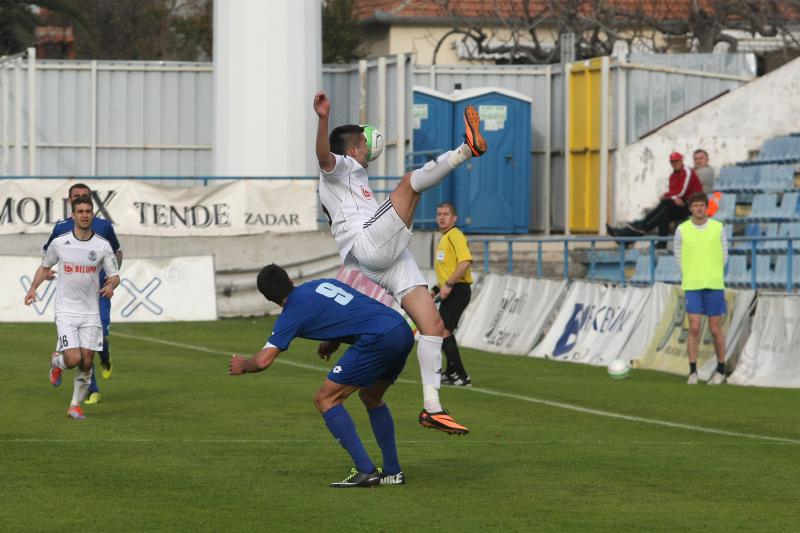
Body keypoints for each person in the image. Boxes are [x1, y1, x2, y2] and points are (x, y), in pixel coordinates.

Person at [313, 90, 487, 435]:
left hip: (379, 257)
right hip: (369, 243)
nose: (368, 146)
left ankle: (432, 408)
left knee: (433, 326)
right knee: (410, 182)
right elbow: (323, 156)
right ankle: (468, 149)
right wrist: (323, 119)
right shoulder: (339, 166)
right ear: (351, 151)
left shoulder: (355, 174)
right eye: (364, 143)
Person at [229, 264, 414, 488]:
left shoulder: (291, 315)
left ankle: (366, 471)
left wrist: (243, 365)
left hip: (377, 338)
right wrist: (332, 340)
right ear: (289, 278)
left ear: (268, 298)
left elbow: (262, 361)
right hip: (400, 328)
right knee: (371, 397)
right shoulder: (322, 284)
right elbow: (349, 308)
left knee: (326, 399)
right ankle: (392, 472)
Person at [25, 196, 120, 419]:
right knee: (73, 359)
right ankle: (56, 361)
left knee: (87, 361)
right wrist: (32, 288)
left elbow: (115, 275)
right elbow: (44, 266)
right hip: (66, 311)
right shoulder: (60, 242)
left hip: (91, 313)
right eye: (81, 211)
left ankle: (75, 406)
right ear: (73, 215)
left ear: (93, 215)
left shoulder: (102, 246)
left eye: (88, 211)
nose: (85, 215)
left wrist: (111, 286)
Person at [44, 183, 123, 405]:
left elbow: (117, 252)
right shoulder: (61, 229)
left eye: (85, 197)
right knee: (81, 353)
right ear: (71, 203)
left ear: (91, 201)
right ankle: (91, 391)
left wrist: (112, 277)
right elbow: (49, 253)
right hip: (73, 299)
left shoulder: (104, 226)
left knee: (101, 337)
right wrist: (46, 273)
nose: (82, 201)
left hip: (99, 294)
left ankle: (105, 361)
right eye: (77, 198)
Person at [674, 192, 728, 386]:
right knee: (694, 326)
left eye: (701, 205)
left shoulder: (718, 228)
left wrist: (713, 272)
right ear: (690, 208)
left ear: (707, 208)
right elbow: (678, 256)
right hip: (692, 284)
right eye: (695, 205)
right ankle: (693, 371)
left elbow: (724, 255)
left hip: (713, 283)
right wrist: (689, 275)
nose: (698, 208)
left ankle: (721, 370)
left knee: (715, 328)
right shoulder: (682, 230)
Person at [607, 152, 703, 246]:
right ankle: (660, 242)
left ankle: (631, 231)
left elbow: (680, 192)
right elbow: (674, 194)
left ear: (682, 160)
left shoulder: (687, 172)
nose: (674, 163)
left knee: (665, 204)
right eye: (672, 162)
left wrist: (669, 196)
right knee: (664, 213)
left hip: (692, 206)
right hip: (680, 205)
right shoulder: (673, 176)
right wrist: (671, 196)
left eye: (676, 161)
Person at [433, 202, 473, 387]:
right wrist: (435, 289)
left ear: (454, 218)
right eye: (439, 214)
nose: (442, 217)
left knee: (443, 331)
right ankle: (450, 373)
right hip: (450, 289)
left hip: (458, 290)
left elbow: (464, 262)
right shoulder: (445, 237)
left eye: (446, 214)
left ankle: (463, 377)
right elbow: (447, 269)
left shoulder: (455, 235)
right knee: (442, 331)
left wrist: (448, 284)